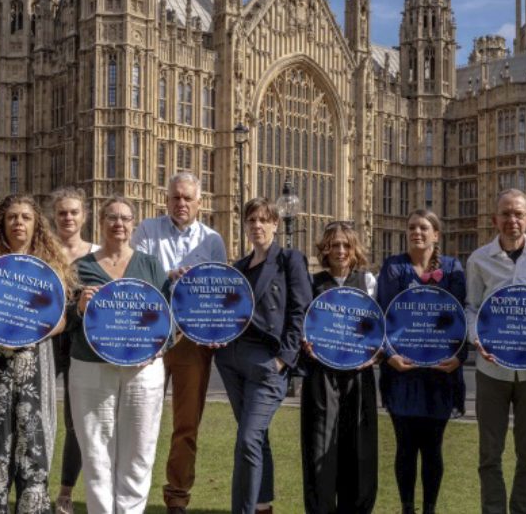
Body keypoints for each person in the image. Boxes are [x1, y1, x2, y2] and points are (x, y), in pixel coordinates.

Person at [0, 194, 74, 513]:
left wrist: (32, 330)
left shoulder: (48, 268)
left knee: (33, 446)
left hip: (34, 363)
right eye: (12, 217)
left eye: (25, 217)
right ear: (2, 223)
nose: (19, 223)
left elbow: (61, 321)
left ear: (36, 224)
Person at [130, 172, 227, 514]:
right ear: (166, 199)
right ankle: (132, 495)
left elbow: (219, 295)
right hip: (152, 335)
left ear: (200, 202)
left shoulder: (213, 240)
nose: (181, 203)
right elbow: (135, 278)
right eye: (175, 197)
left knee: (186, 423)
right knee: (140, 417)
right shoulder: (146, 231)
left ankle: (177, 496)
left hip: (190, 340)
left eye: (188, 198)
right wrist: (166, 276)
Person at [69, 196, 171, 514]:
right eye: (112, 217)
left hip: (143, 369)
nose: (119, 224)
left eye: (125, 218)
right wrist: (79, 307)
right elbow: (62, 319)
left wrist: (156, 351)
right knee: (97, 450)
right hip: (91, 365)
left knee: (139, 451)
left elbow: (168, 319)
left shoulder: (151, 265)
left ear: (134, 225)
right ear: (100, 222)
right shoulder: (81, 267)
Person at [465, 188, 526, 514]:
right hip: (491, 369)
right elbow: (472, 309)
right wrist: (478, 340)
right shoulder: (478, 259)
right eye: (505, 213)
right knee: (489, 453)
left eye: (518, 214)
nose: (512, 220)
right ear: (495, 219)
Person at [217, 197, 311, 514]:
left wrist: (283, 359)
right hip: (233, 361)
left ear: (274, 224)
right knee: (258, 439)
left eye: (263, 219)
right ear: (245, 226)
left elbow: (301, 311)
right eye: (251, 220)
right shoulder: (238, 268)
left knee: (247, 440)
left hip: (268, 363)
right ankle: (262, 505)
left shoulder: (289, 260)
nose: (257, 225)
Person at [377, 210, 467, 514]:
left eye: (424, 227)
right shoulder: (393, 267)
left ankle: (429, 508)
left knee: (433, 448)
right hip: (403, 373)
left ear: (436, 235)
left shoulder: (453, 268)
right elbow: (382, 315)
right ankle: (407, 508)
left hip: (440, 373)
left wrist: (459, 358)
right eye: (412, 226)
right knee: (405, 446)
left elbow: (462, 319)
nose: (417, 231)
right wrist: (390, 357)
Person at [300, 221, 378, 514]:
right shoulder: (312, 283)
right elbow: (303, 326)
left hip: (359, 374)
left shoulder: (368, 283)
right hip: (322, 374)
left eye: (346, 245)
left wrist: (377, 353)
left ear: (354, 249)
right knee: (319, 445)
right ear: (325, 249)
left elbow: (378, 329)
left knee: (359, 448)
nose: (341, 250)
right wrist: (304, 344)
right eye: (335, 245)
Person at [50, 187, 100, 514]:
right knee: (34, 415)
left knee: (75, 420)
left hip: (81, 339)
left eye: (73, 212)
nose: (68, 218)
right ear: (54, 217)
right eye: (62, 213)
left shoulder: (96, 254)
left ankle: (66, 493)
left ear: (84, 216)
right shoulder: (44, 253)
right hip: (49, 337)